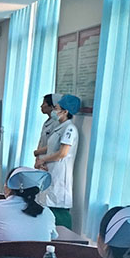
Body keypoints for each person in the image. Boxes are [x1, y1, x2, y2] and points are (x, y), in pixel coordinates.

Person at [35, 94, 80, 228]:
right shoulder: (59, 127)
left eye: (56, 108)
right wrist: (40, 157)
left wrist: (42, 160)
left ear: (65, 111)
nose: (54, 111)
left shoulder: (69, 129)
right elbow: (52, 148)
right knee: (47, 204)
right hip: (50, 170)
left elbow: (62, 153)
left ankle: (64, 236)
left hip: (59, 174)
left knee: (58, 208)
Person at [0, 167, 57, 242]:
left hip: (1, 252)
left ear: (8, 186)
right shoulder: (47, 213)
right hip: (40, 252)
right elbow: (53, 236)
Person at [32, 93, 61, 160]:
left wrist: (37, 152)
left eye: (44, 103)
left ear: (52, 106)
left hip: (48, 159)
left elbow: (54, 145)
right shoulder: (47, 122)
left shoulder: (57, 124)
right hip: (41, 159)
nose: (41, 106)